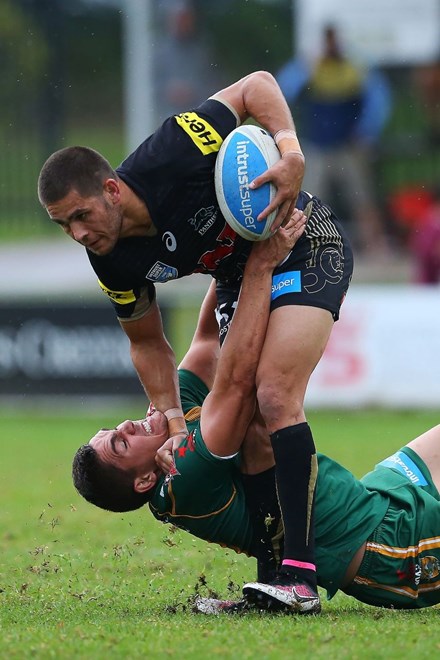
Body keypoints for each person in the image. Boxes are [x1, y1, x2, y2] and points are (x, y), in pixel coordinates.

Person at [38, 69, 354, 610]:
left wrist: (290, 150)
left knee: (273, 394)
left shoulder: (171, 152)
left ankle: (300, 578)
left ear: (111, 190)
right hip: (242, 276)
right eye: (64, 225)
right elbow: (147, 343)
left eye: (82, 216)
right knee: (250, 423)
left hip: (303, 242)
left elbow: (255, 86)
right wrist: (174, 422)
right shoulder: (110, 260)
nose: (79, 235)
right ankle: (272, 581)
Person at [72, 225, 440, 611]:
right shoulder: (182, 479)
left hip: (378, 497)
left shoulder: (173, 422)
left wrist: (229, 246)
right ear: (145, 480)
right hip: (388, 551)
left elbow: (208, 342)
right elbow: (237, 384)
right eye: (121, 443)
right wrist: (258, 265)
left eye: (114, 429)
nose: (126, 426)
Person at [277, 25, 391, 255]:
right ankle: (302, 247)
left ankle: (375, 246)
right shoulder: (311, 65)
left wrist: (367, 131)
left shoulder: (354, 65)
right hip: (317, 145)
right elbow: (284, 89)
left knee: (361, 199)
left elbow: (378, 99)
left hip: (346, 145)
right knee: (308, 200)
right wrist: (307, 65)